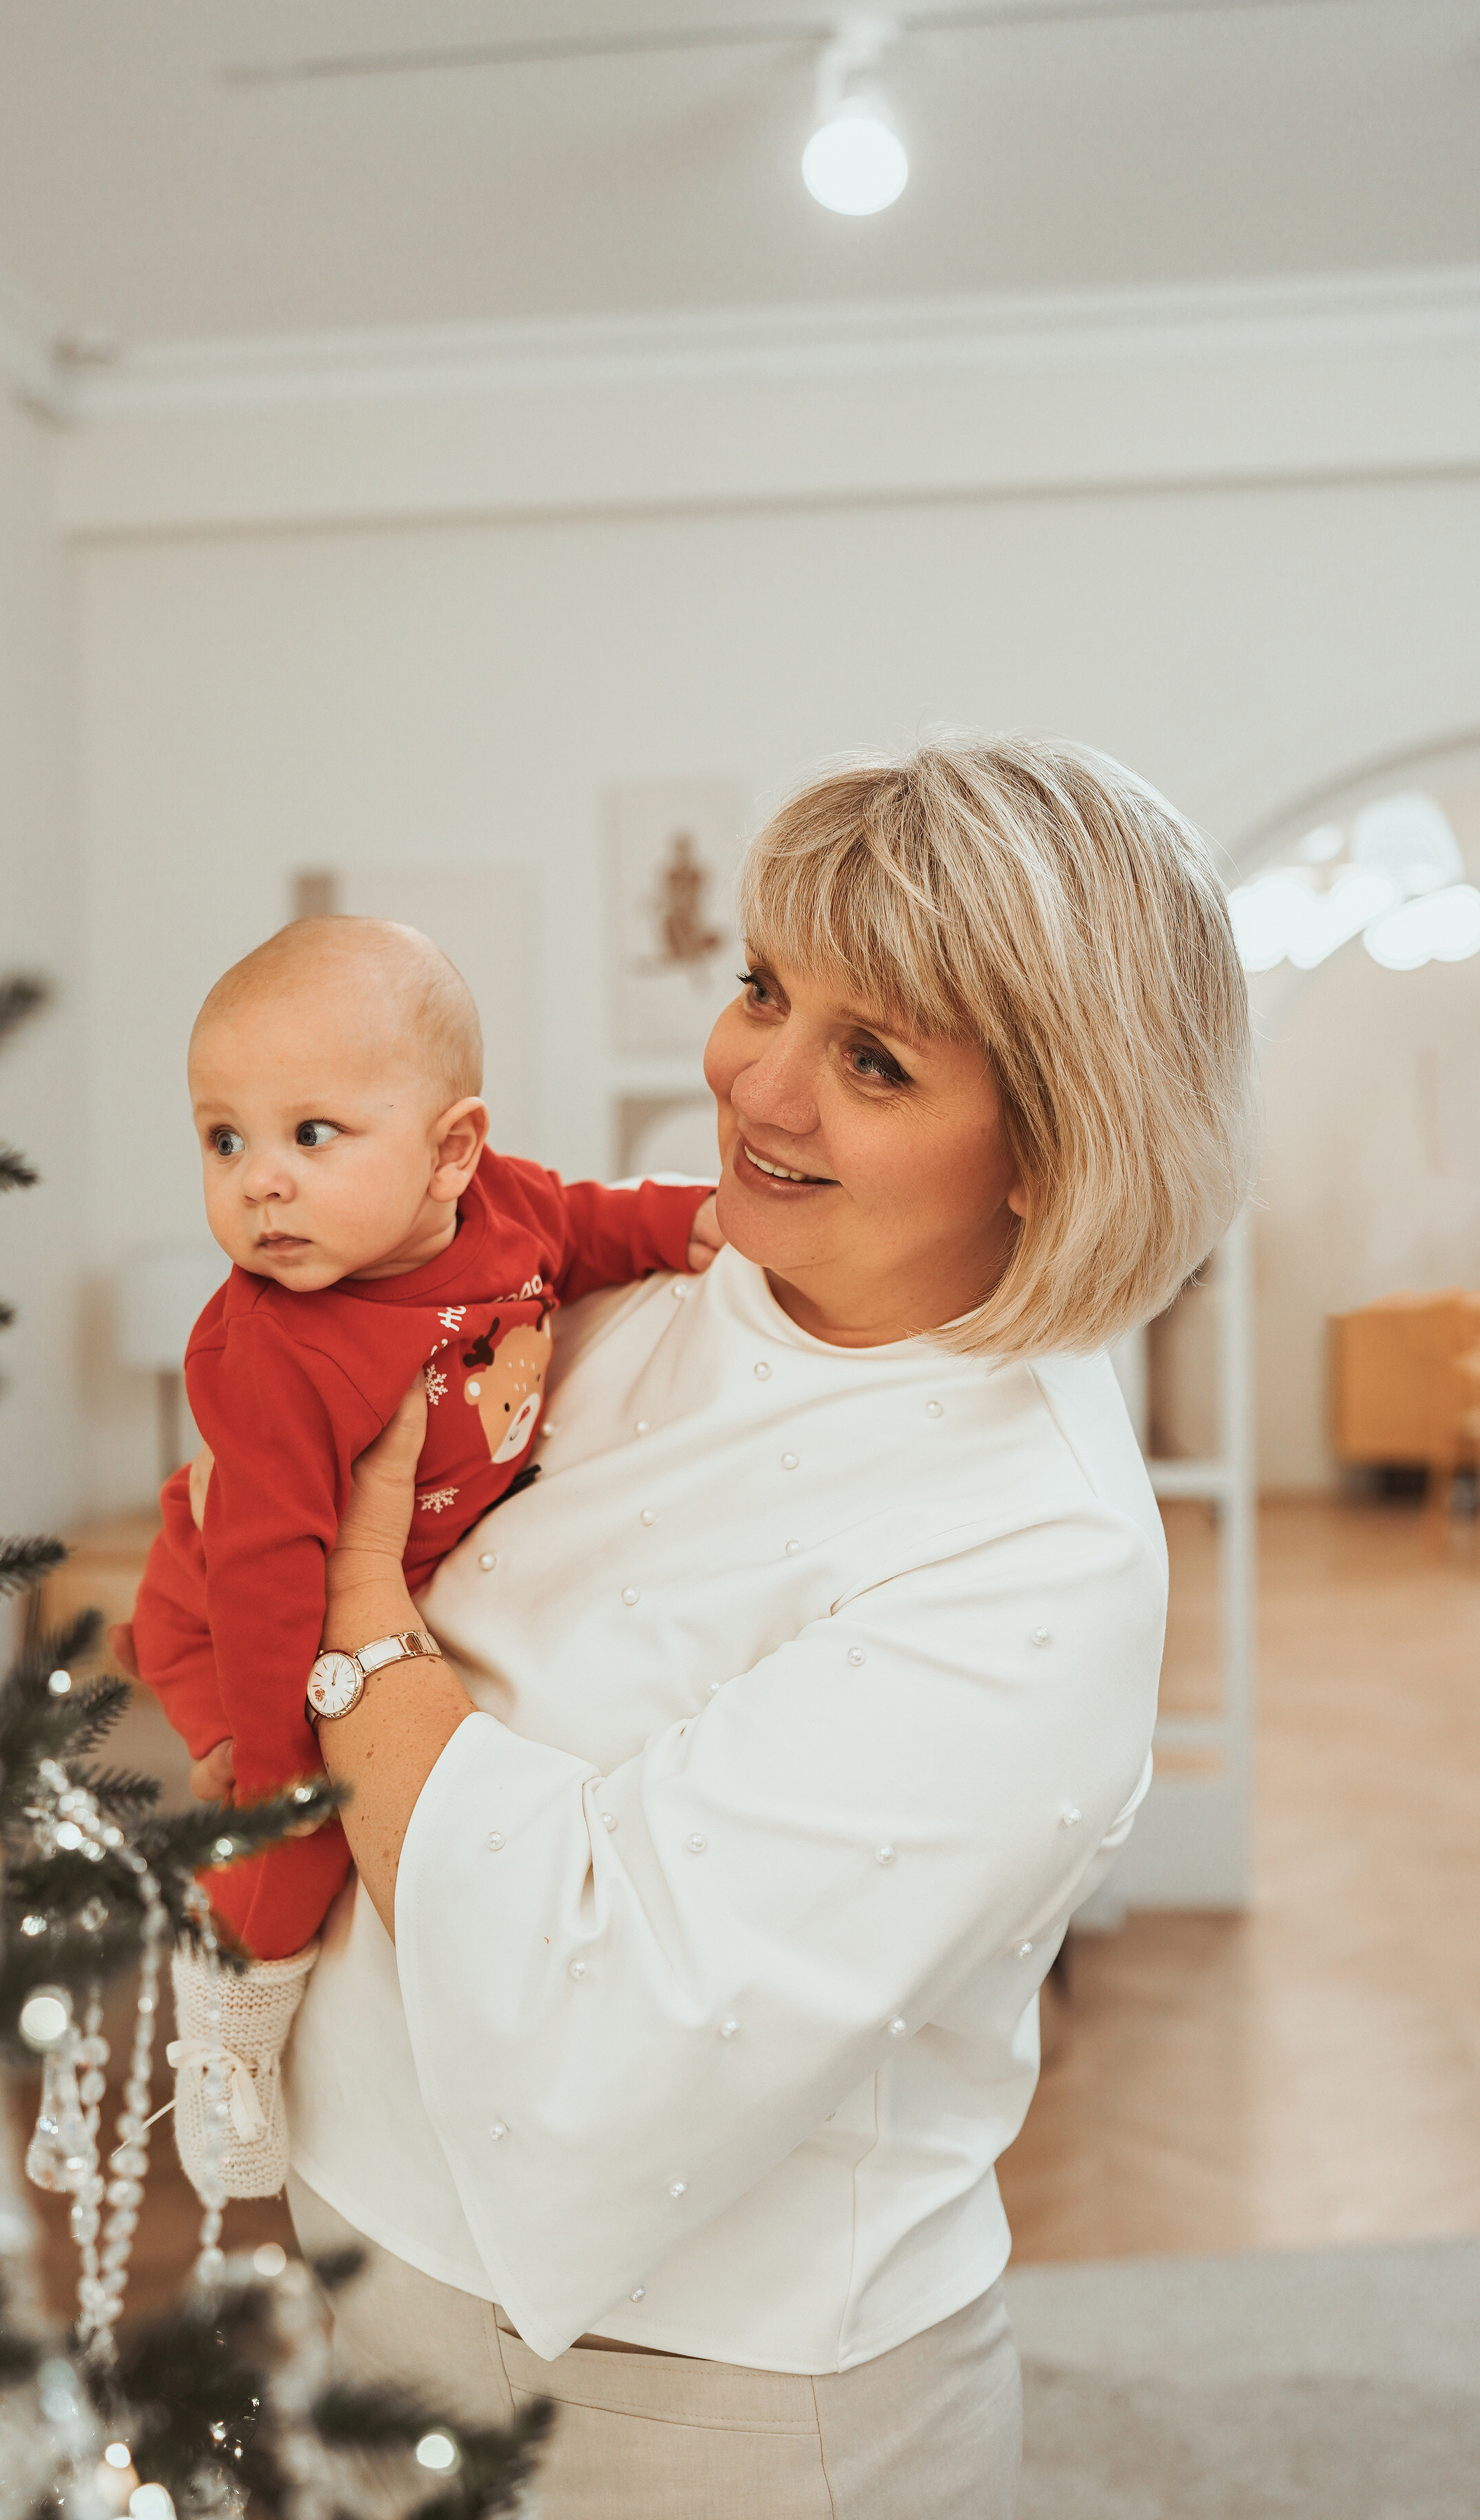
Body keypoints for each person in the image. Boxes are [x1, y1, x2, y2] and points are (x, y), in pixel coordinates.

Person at [198, 738, 1254, 2514]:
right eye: (763, 987)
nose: (754, 1083)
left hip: (700, 2404)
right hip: (372, 2260)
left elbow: (600, 2015)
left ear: (1051, 1141)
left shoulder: (1033, 1548)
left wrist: (357, 1607)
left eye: (872, 1058)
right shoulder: (656, 1299)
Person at [117, 917, 719, 1967]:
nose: (259, 1180)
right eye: (225, 1140)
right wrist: (273, 1774)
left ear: (450, 1154)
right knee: (291, 1854)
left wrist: (681, 1222)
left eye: (311, 1134)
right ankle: (232, 2008)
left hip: (409, 1570)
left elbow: (586, 1227)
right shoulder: (277, 1349)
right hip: (227, 1605)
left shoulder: (506, 1209)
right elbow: (264, 1584)